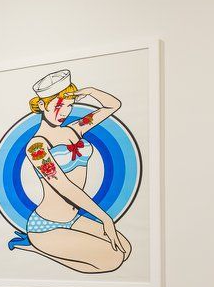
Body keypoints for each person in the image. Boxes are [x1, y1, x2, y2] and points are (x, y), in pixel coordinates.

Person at [15, 69, 130, 273]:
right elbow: (65, 187)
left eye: (69, 106)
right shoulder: (36, 146)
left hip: (72, 219)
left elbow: (113, 105)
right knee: (112, 259)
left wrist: (91, 91)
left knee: (125, 249)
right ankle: (36, 248)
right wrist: (104, 217)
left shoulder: (75, 129)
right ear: (42, 105)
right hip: (46, 225)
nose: (64, 113)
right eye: (58, 106)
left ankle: (45, 248)